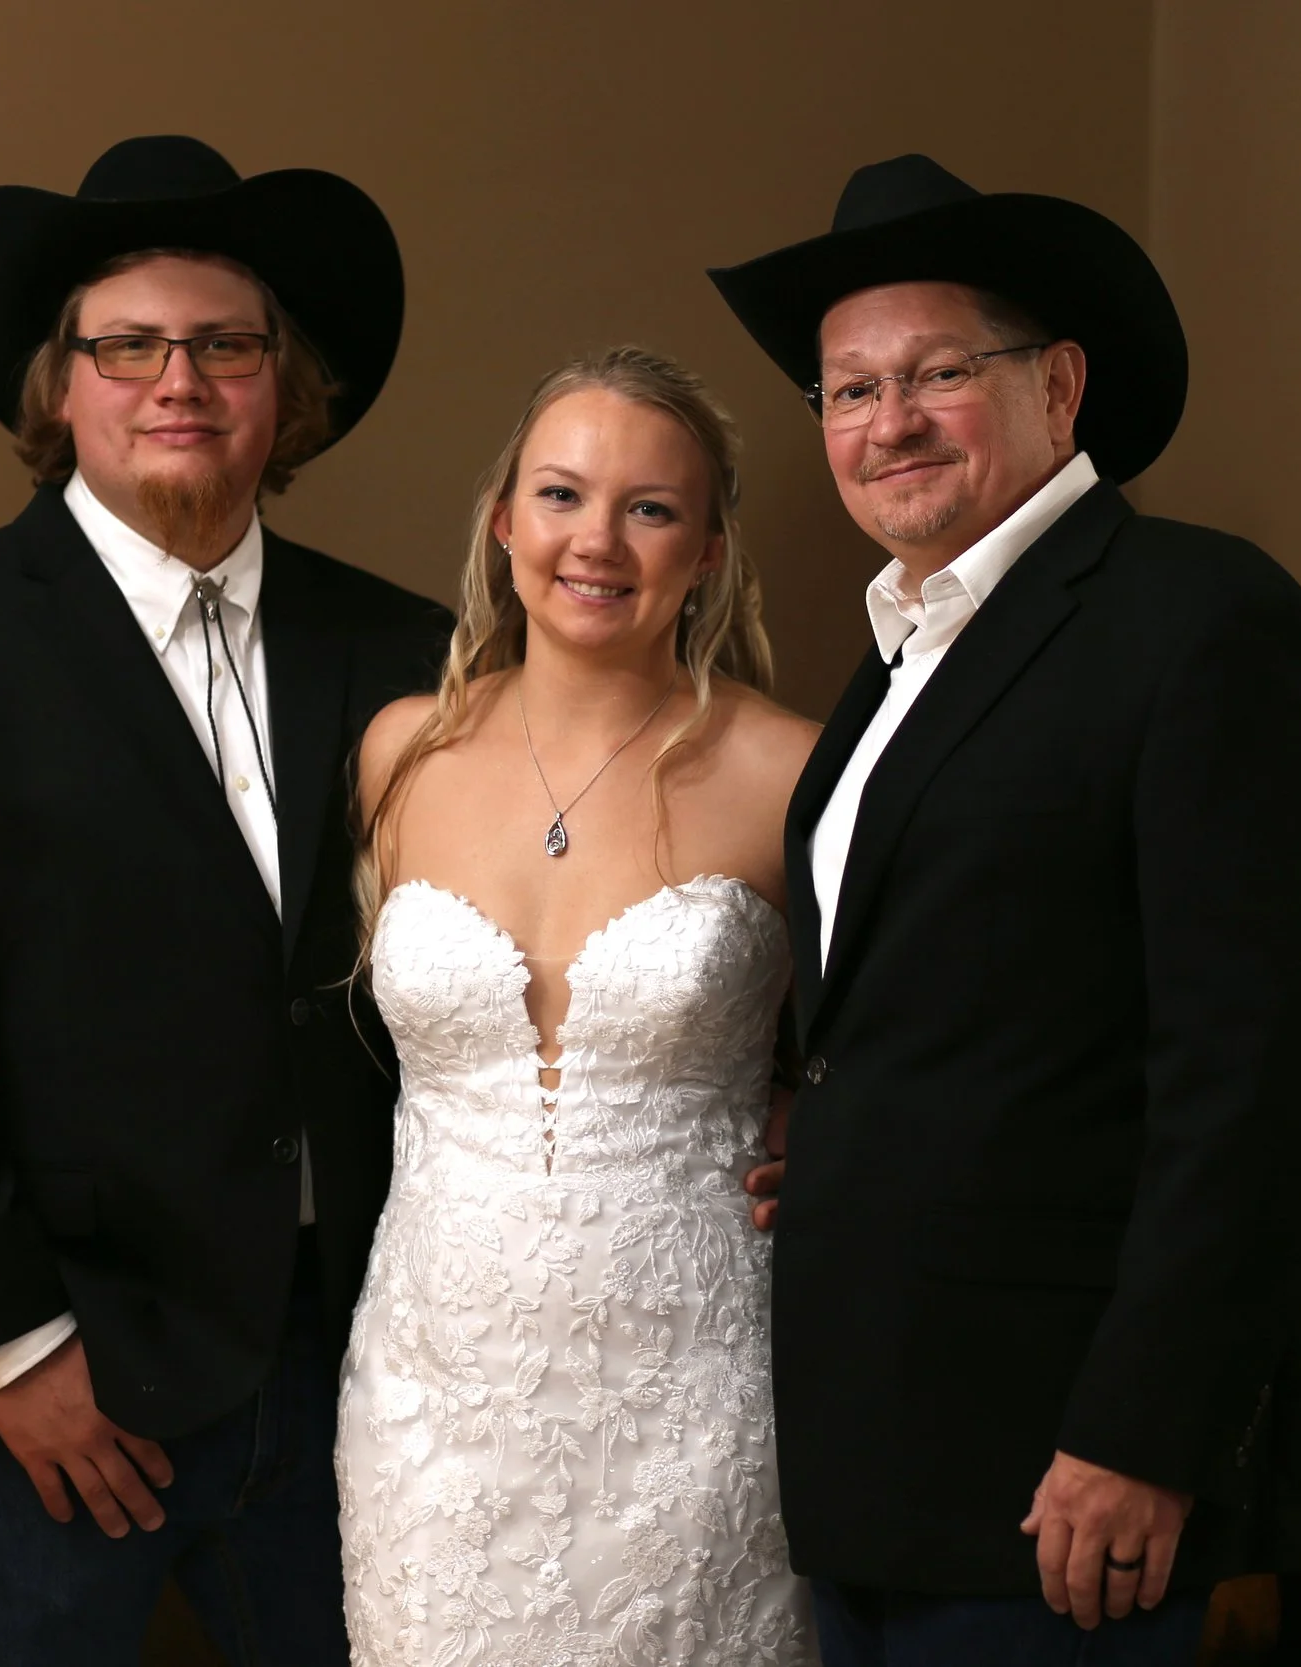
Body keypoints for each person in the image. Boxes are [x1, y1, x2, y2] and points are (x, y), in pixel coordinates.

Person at [707, 155, 1301, 1666]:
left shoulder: (1203, 624)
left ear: (1061, 387)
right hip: (874, 1452)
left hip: (1066, 1474)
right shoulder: (896, 659)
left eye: (940, 372)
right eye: (848, 390)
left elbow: (1271, 1078)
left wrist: (1150, 1429)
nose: (889, 422)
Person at [0, 136, 450, 1665]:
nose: (181, 381)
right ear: (60, 385)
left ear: (283, 388)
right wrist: (10, 1345)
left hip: (364, 1347)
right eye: (129, 346)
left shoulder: (409, 644)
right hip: (65, 1361)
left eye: (226, 345)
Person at [342, 345, 822, 1667]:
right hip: (434, 1398)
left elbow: (895, 1041)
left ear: (711, 546)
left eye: (650, 508)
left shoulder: (793, 772)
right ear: (504, 523)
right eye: (561, 495)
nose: (596, 541)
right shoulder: (402, 751)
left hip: (699, 1386)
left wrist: (822, 1118)